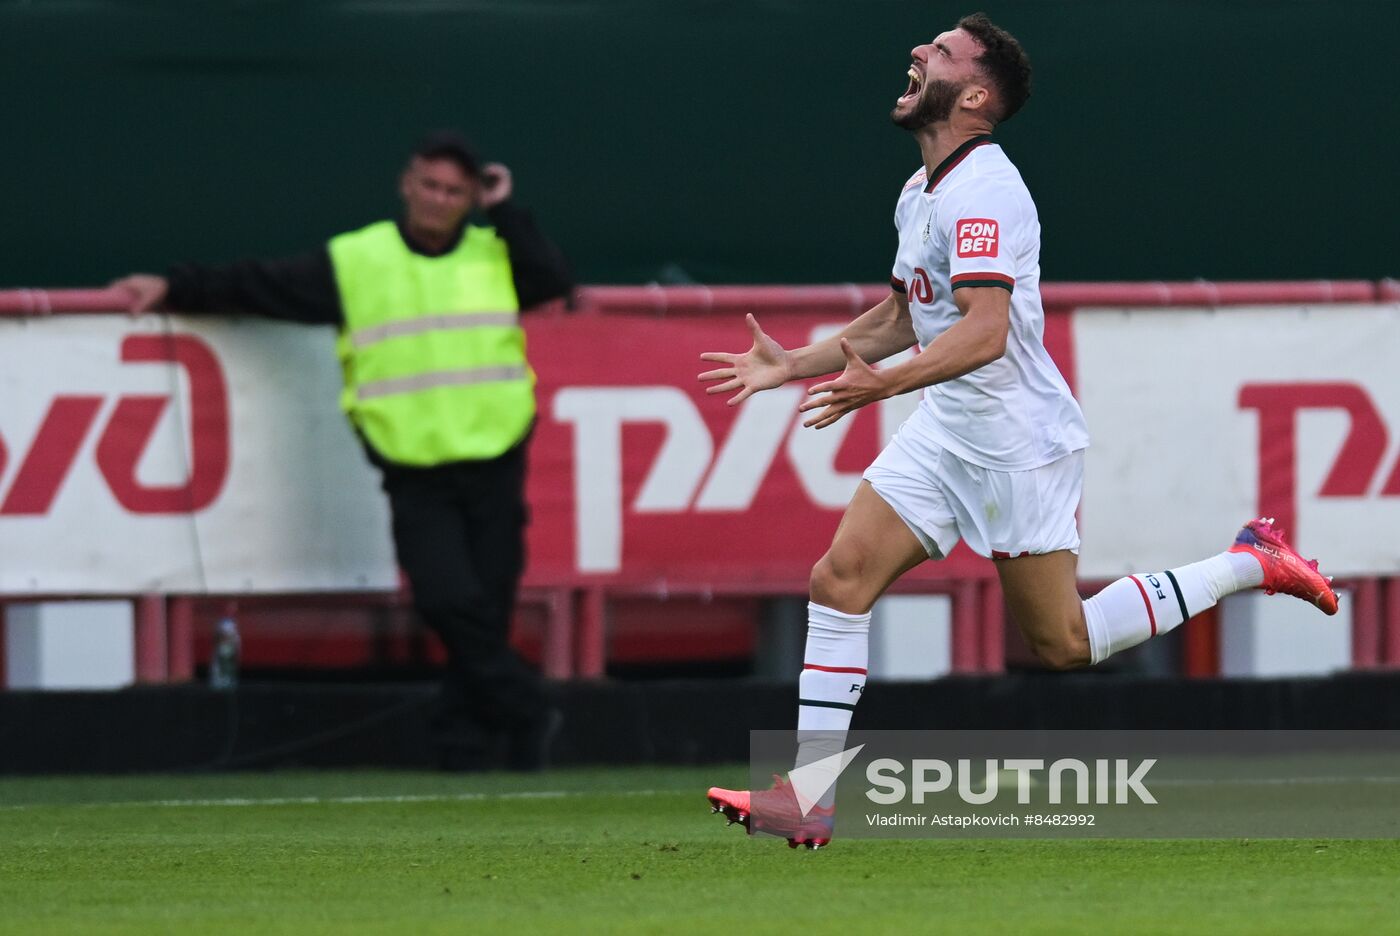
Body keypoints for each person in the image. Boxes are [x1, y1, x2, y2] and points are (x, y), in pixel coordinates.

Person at [699, 14, 1337, 847]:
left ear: (972, 94)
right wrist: (797, 363)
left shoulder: (987, 191)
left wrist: (877, 388)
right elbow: (905, 313)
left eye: (941, 51)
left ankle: (1248, 560)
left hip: (1016, 445)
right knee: (839, 579)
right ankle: (809, 798)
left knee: (1063, 644)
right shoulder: (920, 188)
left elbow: (984, 331)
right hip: (948, 432)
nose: (918, 52)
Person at [112, 131, 573, 771]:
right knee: (445, 600)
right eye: (431, 185)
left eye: (456, 191)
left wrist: (505, 209)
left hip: (495, 456)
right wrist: (175, 285)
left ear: (471, 198)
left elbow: (552, 278)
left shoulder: (495, 253)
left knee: (486, 607)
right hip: (413, 467)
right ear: (406, 185)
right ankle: (524, 707)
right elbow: (259, 284)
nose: (440, 200)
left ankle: (466, 742)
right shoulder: (359, 260)